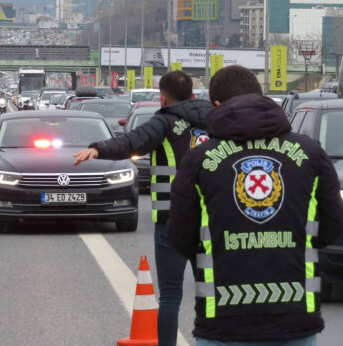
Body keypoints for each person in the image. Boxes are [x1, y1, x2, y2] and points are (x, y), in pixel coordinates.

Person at [167, 65, 343, 345]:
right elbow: (333, 225)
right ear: (260, 95)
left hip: (222, 321)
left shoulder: (199, 160)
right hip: (295, 318)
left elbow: (180, 236)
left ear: (217, 105)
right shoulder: (311, 154)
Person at [73, 70, 213, 346]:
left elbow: (132, 141)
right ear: (194, 96)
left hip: (173, 219)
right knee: (209, 293)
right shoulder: (216, 121)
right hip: (211, 220)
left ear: (163, 98)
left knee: (171, 295)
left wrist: (98, 149)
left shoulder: (164, 122)